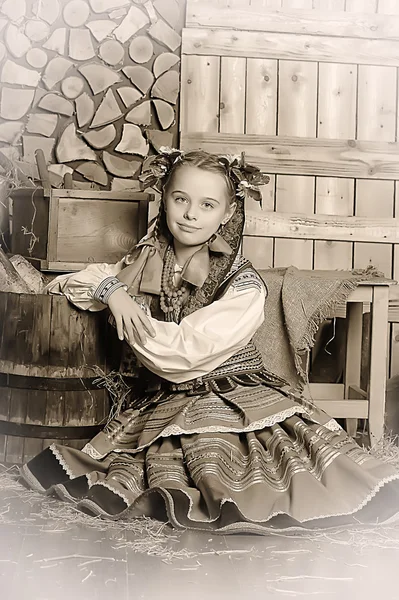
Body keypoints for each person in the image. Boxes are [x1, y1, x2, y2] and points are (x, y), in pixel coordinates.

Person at [20, 149, 399, 533]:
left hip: (229, 392)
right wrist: (112, 291)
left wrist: (130, 310)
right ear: (164, 196)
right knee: (143, 460)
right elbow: (67, 282)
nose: (190, 214)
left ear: (228, 213)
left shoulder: (244, 286)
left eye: (207, 205)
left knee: (226, 466)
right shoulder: (147, 259)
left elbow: (181, 355)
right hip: (168, 396)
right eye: (180, 199)